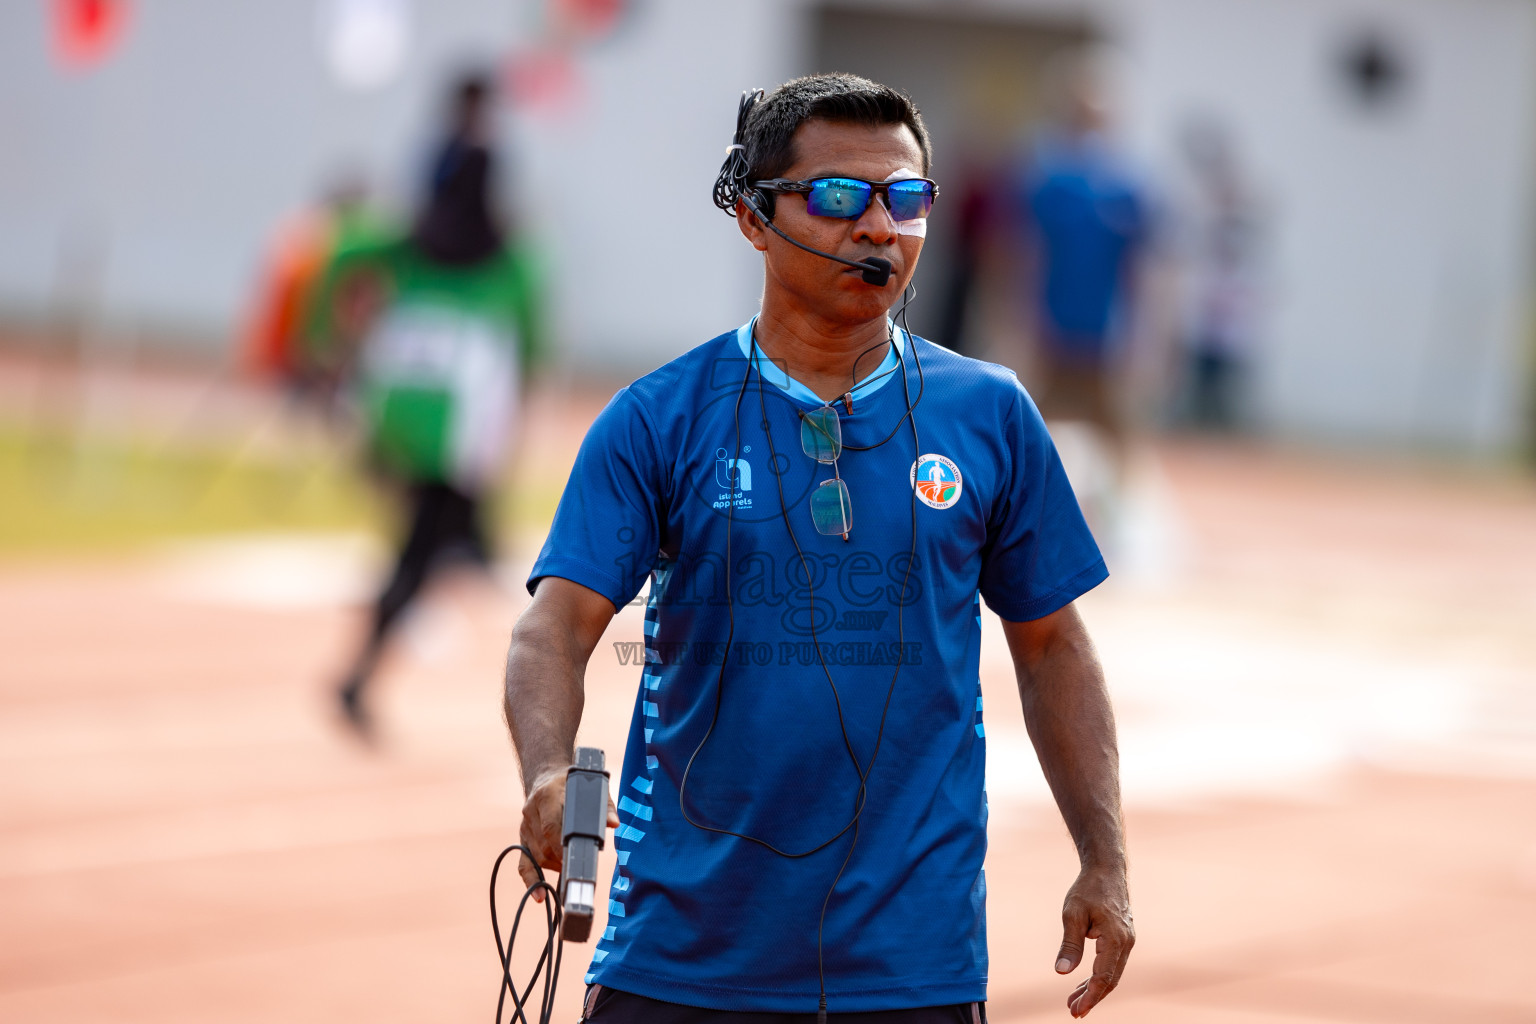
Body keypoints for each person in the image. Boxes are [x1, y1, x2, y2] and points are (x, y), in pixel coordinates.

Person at [503, 75, 1131, 1021]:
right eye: (838, 196)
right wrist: (550, 770)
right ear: (755, 219)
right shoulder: (658, 418)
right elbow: (553, 631)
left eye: (907, 198)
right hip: (678, 958)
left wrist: (1105, 859)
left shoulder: (992, 414)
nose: (879, 226)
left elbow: (1052, 646)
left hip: (912, 966)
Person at [311, 72, 545, 738]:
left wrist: (331, 345)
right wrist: (518, 407)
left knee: (432, 540)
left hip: (395, 412)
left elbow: (339, 255)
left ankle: (459, 561)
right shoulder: (511, 260)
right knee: (422, 549)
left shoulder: (405, 240)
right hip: (460, 428)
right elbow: (531, 340)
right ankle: (360, 672)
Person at [1015, 55, 1148, 478]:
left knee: (1116, 423)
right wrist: (1016, 320)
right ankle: (1015, 505)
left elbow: (1141, 267)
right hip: (1051, 326)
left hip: (1106, 329)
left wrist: (1146, 335)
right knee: (1029, 418)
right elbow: (1021, 254)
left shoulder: (1129, 185)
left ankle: (1123, 507)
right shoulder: (1045, 178)